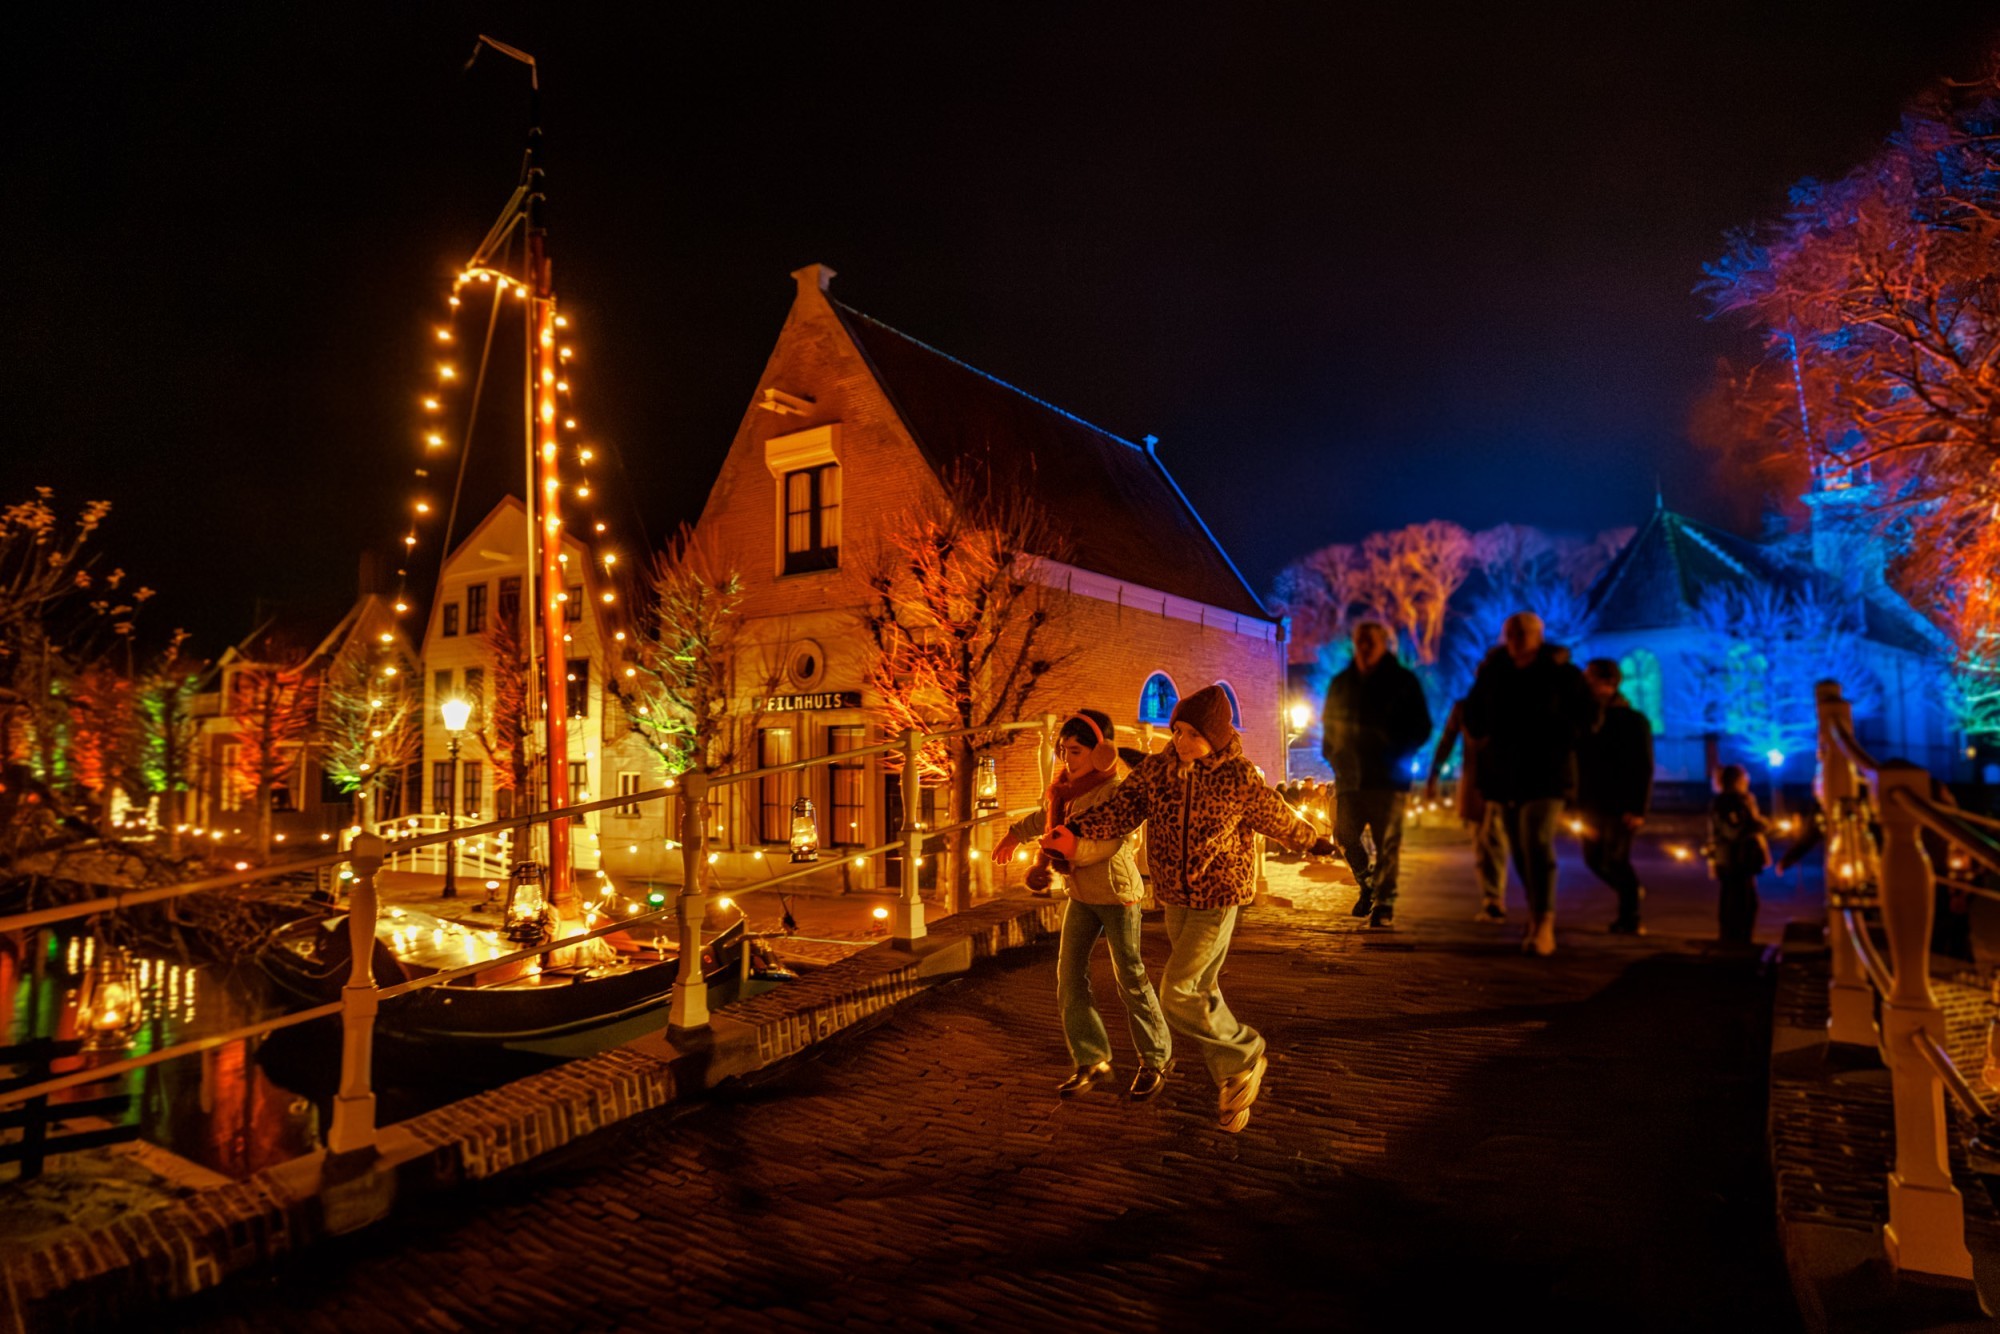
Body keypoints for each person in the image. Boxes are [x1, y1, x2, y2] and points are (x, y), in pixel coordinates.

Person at [1044, 684, 1334, 1133]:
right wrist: (1075, 828)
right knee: (1199, 990)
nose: (1178, 741)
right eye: (1175, 731)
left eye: (1189, 734)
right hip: (1174, 896)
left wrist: (1312, 839)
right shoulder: (1159, 771)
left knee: (1178, 992)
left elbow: (1275, 815)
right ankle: (1233, 1081)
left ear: (1213, 737)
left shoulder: (1237, 778)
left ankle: (1244, 1052)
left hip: (1217, 898)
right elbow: (1122, 808)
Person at [996, 712, 1172, 1099]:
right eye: (1062, 751)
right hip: (1080, 894)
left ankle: (1155, 1058)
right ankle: (1091, 1058)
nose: (1066, 759)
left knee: (1131, 978)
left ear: (1102, 753)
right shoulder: (1064, 791)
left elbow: (1115, 842)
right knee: (1070, 977)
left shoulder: (1115, 790)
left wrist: (1071, 850)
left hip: (1116, 894)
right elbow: (1047, 820)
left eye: (1075, 751)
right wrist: (1014, 835)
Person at [1461, 612, 1598, 957]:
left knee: (1536, 839)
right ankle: (1537, 914)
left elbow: (1588, 715)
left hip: (1547, 772)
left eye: (1523, 633)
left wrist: (1561, 735)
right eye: (1511, 633)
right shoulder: (1495, 672)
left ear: (1538, 635)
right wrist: (1483, 734)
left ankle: (1544, 921)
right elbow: (1473, 710)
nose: (1517, 639)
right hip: (1505, 775)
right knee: (1519, 849)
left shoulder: (1560, 673)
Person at [1321, 622, 1433, 929]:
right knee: (1344, 835)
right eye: (1361, 642)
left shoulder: (1402, 681)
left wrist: (1398, 753)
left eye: (1372, 642)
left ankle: (1384, 903)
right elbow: (1329, 725)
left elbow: (1421, 726)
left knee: (1387, 843)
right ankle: (1367, 882)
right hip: (1350, 777)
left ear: (1384, 645)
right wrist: (1333, 753)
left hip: (1387, 778)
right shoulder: (1342, 683)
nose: (1366, 648)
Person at [1575, 658, 1656, 935]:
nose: (1586, 684)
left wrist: (1638, 807)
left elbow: (1643, 766)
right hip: (1592, 804)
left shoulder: (1633, 721)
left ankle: (1630, 915)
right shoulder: (1586, 720)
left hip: (1620, 804)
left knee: (1615, 859)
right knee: (1593, 858)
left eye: (1591, 678)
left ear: (1608, 683)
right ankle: (1631, 891)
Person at [1425, 693, 1507, 922]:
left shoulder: (1468, 707)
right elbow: (1446, 742)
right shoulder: (1469, 707)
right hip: (1485, 784)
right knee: (1488, 842)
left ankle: (1494, 898)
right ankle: (1493, 898)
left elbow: (1446, 742)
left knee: (1489, 841)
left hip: (1492, 784)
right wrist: (1432, 777)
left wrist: (1433, 777)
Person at [1705, 764, 1769, 945]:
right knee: (1739, 903)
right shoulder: (1730, 802)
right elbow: (1733, 831)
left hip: (1739, 861)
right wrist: (1760, 825)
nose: (1747, 780)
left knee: (1743, 902)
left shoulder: (1739, 800)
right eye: (1744, 777)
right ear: (1737, 780)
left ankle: (1736, 940)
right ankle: (1735, 942)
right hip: (1735, 861)